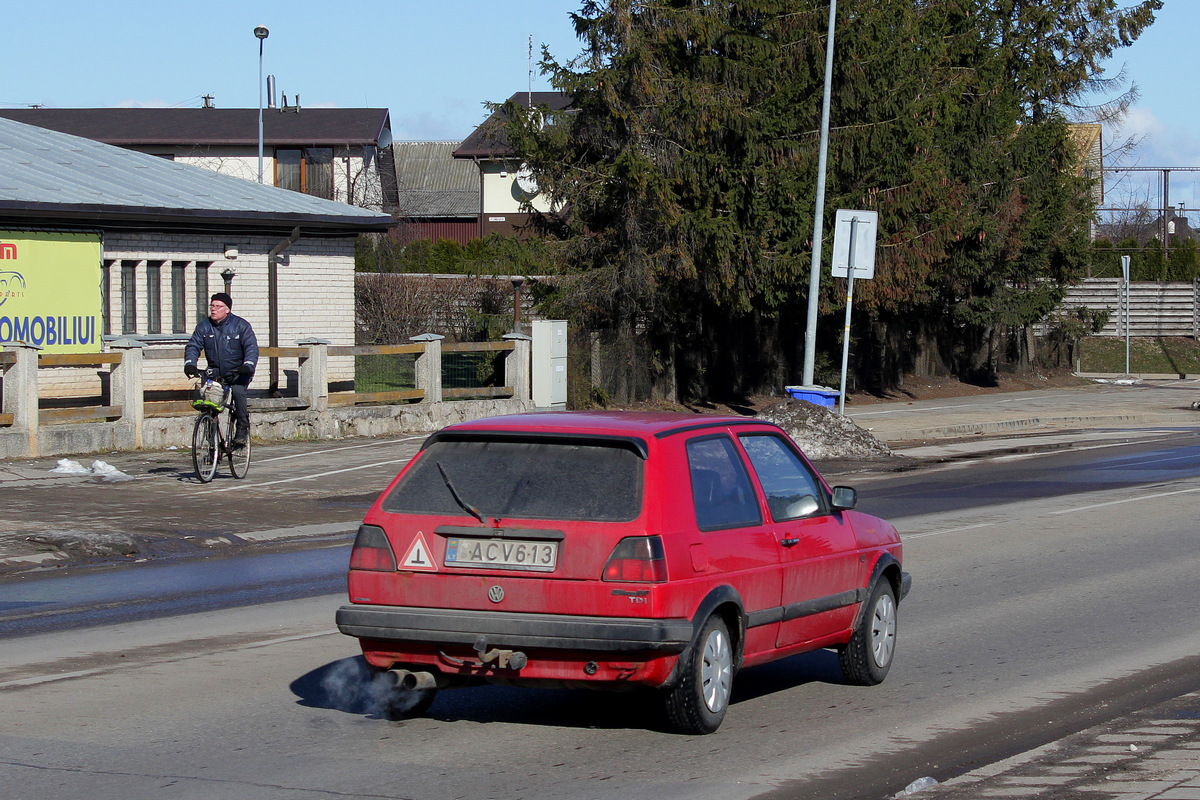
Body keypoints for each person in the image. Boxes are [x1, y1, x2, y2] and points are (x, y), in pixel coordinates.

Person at [184, 292, 259, 448]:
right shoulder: (204, 327)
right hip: (216, 372)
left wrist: (248, 365)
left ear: (227, 310)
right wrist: (190, 363)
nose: (214, 309)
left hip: (238, 371)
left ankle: (242, 428)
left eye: (218, 306)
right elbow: (193, 346)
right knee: (209, 402)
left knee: (238, 393)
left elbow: (251, 347)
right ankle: (212, 444)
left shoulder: (240, 326)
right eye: (212, 305)